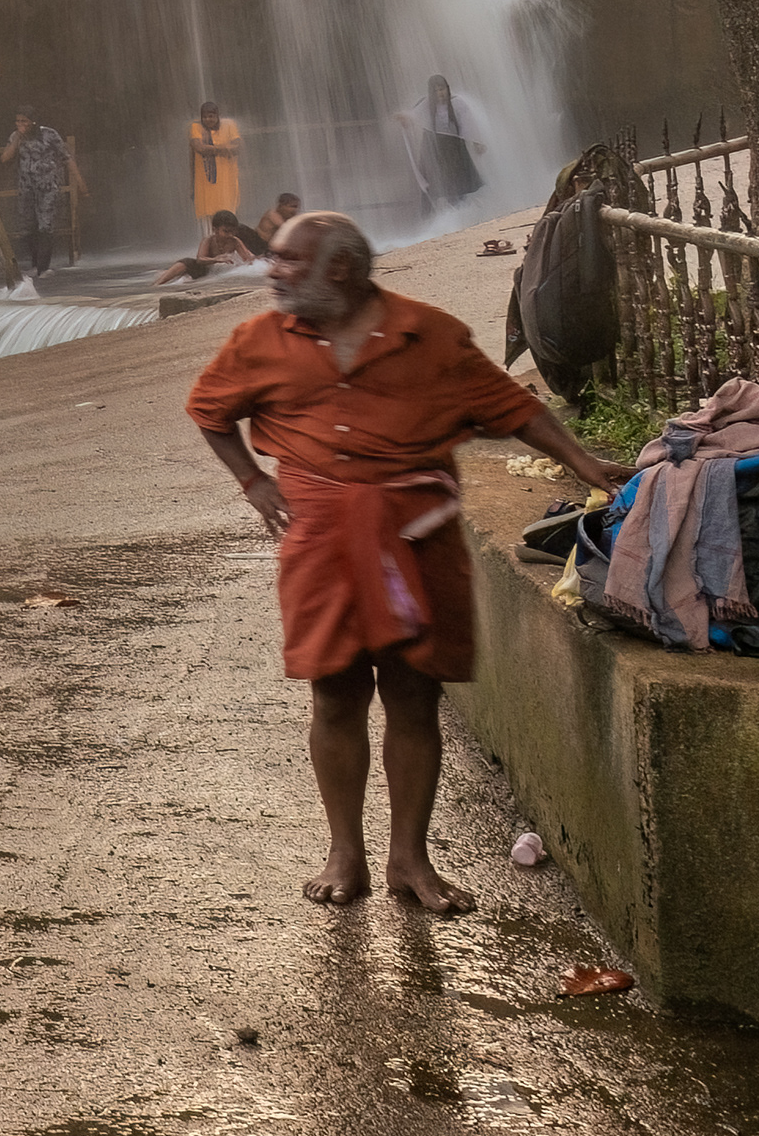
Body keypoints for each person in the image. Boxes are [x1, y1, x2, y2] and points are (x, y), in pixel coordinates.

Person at [186, 211, 621, 913]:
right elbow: (209, 410)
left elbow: (514, 409)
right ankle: (344, 852)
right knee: (334, 693)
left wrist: (583, 461)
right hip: (322, 543)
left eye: (290, 260)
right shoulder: (257, 341)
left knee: (415, 697)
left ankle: (409, 859)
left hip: (417, 540)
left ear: (342, 270)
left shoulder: (431, 335)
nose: (274, 271)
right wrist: (253, 481)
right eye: (274, 258)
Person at [0, 108, 76, 300]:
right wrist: (17, 139)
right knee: (28, 226)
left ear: (33, 121)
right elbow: (4, 158)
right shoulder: (16, 136)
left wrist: (80, 182)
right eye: (17, 121)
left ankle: (44, 267)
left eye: (24, 121)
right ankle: (35, 264)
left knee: (45, 224)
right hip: (27, 187)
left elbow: (66, 158)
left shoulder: (49, 134)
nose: (20, 124)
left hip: (48, 186)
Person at [402, 75, 485, 206]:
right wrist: (405, 118)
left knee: (460, 183)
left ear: (447, 89)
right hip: (438, 148)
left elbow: (468, 125)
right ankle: (445, 209)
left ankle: (465, 206)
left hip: (456, 148)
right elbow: (414, 115)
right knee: (440, 183)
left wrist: (476, 142)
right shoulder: (427, 104)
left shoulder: (457, 103)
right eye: (435, 91)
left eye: (441, 89)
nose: (440, 93)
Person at [158, 209, 265, 285]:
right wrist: (216, 259)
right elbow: (200, 259)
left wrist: (258, 261)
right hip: (204, 269)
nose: (230, 235)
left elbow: (247, 259)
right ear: (215, 230)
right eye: (226, 231)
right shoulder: (208, 240)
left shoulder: (235, 241)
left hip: (218, 272)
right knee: (184, 263)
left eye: (233, 231)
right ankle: (158, 284)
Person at [189, 100, 243, 224]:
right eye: (204, 117)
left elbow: (237, 147)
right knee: (207, 222)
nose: (208, 119)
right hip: (204, 184)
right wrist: (225, 148)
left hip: (227, 182)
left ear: (218, 116)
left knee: (229, 215)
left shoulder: (229, 126)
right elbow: (199, 148)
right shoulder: (196, 127)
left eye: (211, 116)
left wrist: (212, 149)